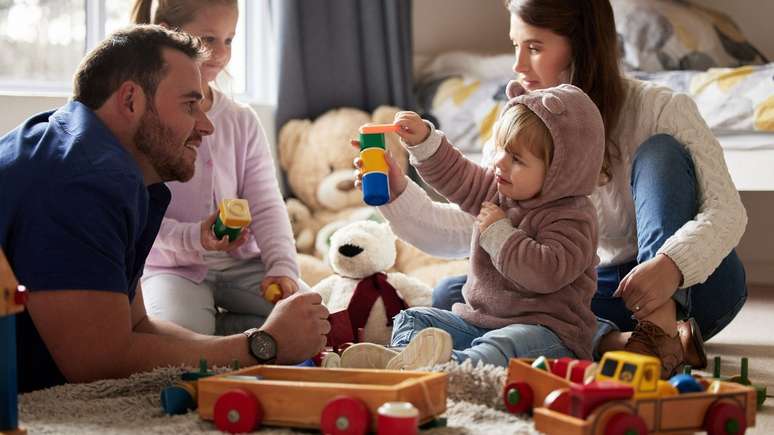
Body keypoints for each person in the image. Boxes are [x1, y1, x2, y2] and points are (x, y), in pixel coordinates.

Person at [358, 0, 747, 378]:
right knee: (453, 295)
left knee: (660, 153)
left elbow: (727, 212)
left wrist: (671, 266)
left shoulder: (661, 109)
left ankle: (661, 332)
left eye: (535, 47)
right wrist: (397, 193)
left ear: (582, 44)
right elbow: (474, 224)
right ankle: (619, 343)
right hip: (583, 285)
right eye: (516, 46)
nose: (518, 65)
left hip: (690, 287)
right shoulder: (523, 119)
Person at [0, 25, 329, 393]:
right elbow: (98, 361)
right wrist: (262, 346)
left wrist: (254, 341)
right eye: (190, 104)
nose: (206, 126)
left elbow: (137, 324)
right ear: (130, 101)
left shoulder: (101, 160)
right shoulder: (82, 179)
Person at [342, 84, 605, 369]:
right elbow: (460, 177)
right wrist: (424, 142)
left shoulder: (573, 217)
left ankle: (450, 370)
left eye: (517, 159)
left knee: (502, 345)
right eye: (502, 149)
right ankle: (401, 361)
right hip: (481, 323)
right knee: (413, 318)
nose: (500, 163)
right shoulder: (500, 188)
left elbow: (546, 272)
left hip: (548, 335)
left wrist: (499, 234)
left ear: (559, 172)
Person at [130, 0, 302, 336]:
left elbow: (266, 204)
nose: (221, 53)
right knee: (178, 347)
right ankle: (218, 332)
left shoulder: (241, 119)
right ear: (168, 34)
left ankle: (223, 330)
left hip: (241, 263)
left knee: (310, 315)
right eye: (208, 40)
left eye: (230, 40)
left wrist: (282, 267)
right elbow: (137, 220)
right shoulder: (144, 120)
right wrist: (195, 237)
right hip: (172, 266)